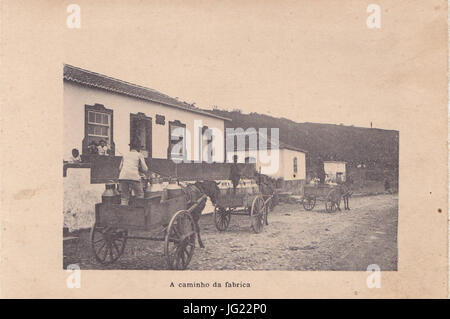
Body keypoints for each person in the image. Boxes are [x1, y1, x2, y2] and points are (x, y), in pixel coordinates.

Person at [118, 140, 148, 205]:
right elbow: (145, 169)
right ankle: (139, 212)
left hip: (123, 177)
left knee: (124, 197)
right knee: (139, 195)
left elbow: (120, 168)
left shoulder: (125, 154)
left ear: (131, 147)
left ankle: (124, 212)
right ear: (138, 148)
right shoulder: (139, 155)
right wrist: (139, 169)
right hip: (134, 177)